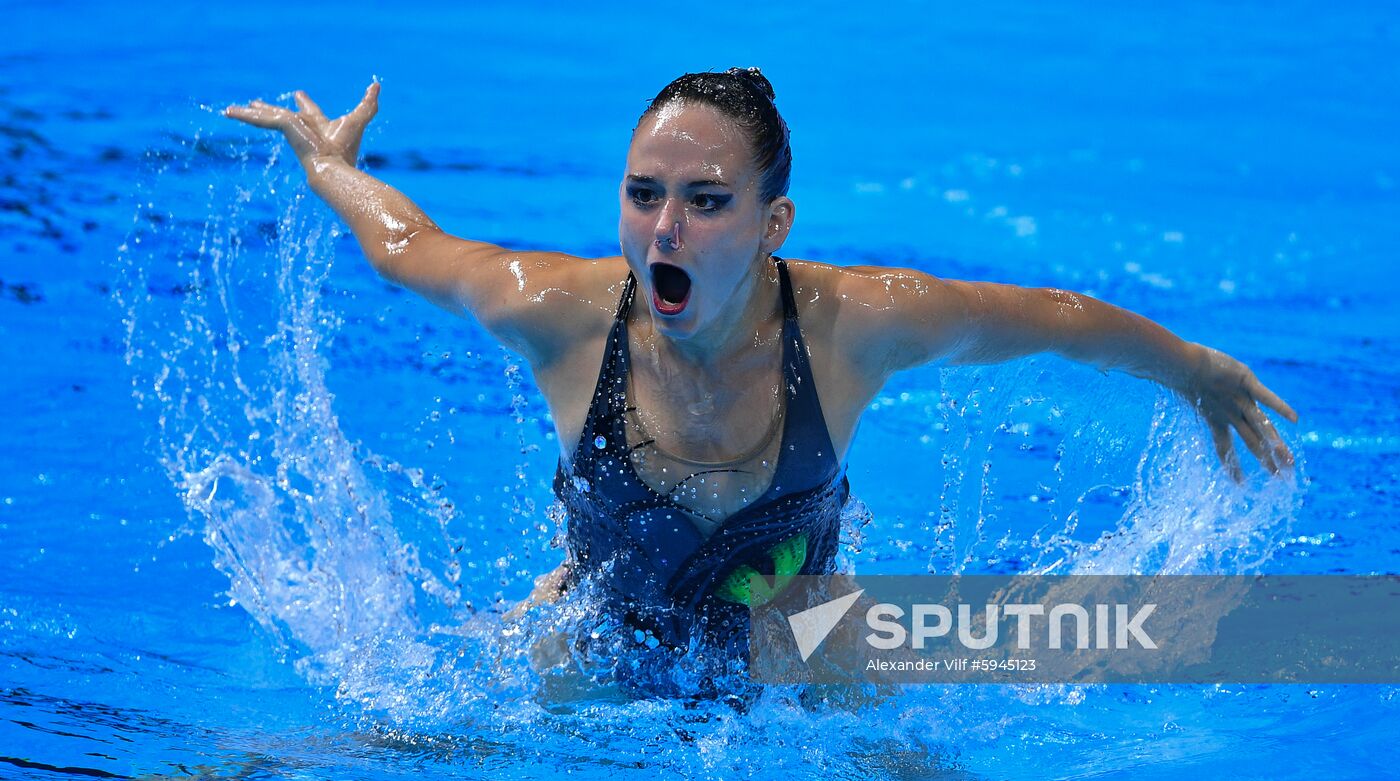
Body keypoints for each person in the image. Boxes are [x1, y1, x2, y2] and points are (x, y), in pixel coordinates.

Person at [225, 68, 1297, 666]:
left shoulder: (848, 325)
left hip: (804, 649)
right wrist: (330, 168)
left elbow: (1053, 319)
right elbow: (409, 249)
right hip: (597, 636)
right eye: (643, 194)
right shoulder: (557, 312)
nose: (664, 231)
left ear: (771, 221)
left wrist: (1193, 370)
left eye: (704, 201)